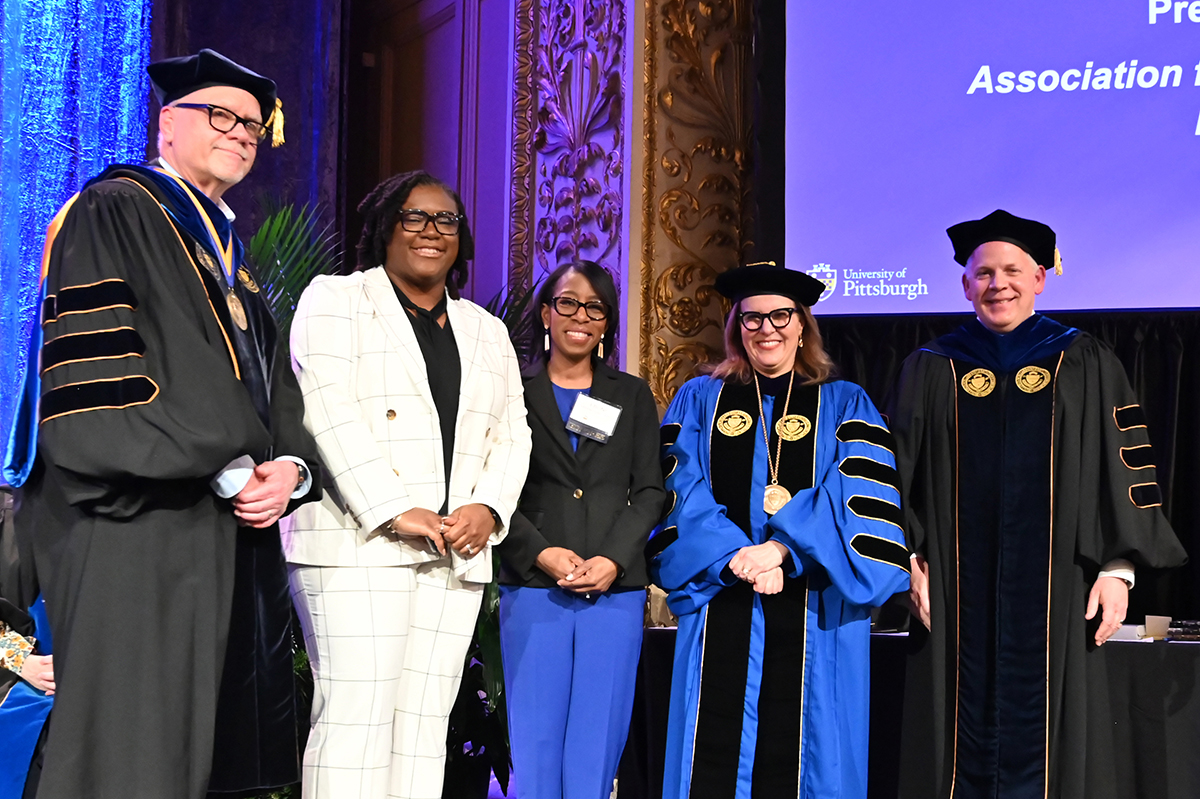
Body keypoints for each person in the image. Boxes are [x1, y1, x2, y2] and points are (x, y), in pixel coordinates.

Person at [6, 49, 322, 799]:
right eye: (221, 115)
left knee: (190, 755)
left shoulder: (228, 255)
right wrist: (225, 458)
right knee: (128, 750)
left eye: (252, 123)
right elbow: (97, 382)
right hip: (131, 515)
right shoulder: (115, 210)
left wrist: (289, 468)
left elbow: (275, 394)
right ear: (167, 123)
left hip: (213, 524)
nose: (243, 132)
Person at [888, 210, 1188, 799]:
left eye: (1012, 271)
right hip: (951, 588)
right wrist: (907, 560)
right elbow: (895, 475)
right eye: (983, 273)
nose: (997, 283)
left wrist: (1117, 570)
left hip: (1057, 590)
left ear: (1041, 278)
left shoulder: (1083, 360)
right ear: (964, 284)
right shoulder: (931, 366)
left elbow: (1121, 466)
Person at [284, 170, 532, 799]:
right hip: (357, 544)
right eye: (413, 217)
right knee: (355, 720)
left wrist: (489, 507)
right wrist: (396, 509)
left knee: (423, 730)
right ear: (383, 227)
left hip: (457, 551)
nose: (431, 231)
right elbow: (325, 409)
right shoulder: (335, 299)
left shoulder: (487, 329)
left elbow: (514, 433)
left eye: (445, 220)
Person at [647, 261, 912, 799]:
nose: (767, 329)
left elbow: (857, 497)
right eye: (752, 318)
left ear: (802, 324)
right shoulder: (699, 399)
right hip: (723, 588)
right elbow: (679, 485)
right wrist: (733, 557)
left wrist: (783, 552)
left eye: (780, 316)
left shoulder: (845, 402)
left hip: (815, 611)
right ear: (736, 328)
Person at [496, 260, 665, 799]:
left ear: (607, 323)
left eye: (595, 308)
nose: (580, 317)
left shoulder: (631, 395)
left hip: (613, 592)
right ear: (546, 313)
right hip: (533, 585)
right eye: (567, 303)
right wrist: (542, 553)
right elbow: (490, 491)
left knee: (597, 745)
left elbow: (650, 491)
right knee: (536, 743)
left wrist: (614, 559)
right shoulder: (510, 393)